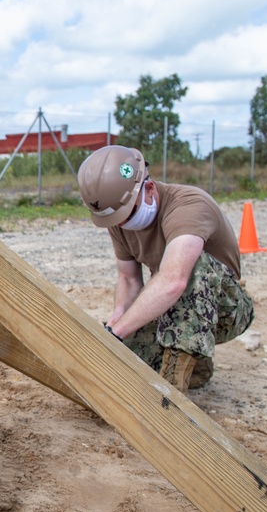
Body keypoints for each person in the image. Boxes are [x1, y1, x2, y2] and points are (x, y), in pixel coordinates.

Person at [77, 145, 254, 392]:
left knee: (187, 266)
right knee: (121, 366)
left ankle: (172, 393)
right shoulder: (119, 215)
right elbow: (129, 280)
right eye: (115, 220)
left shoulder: (189, 206)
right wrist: (118, 321)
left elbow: (174, 280)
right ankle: (196, 363)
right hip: (174, 310)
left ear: (149, 189)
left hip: (225, 311)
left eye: (127, 215)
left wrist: (115, 332)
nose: (121, 224)